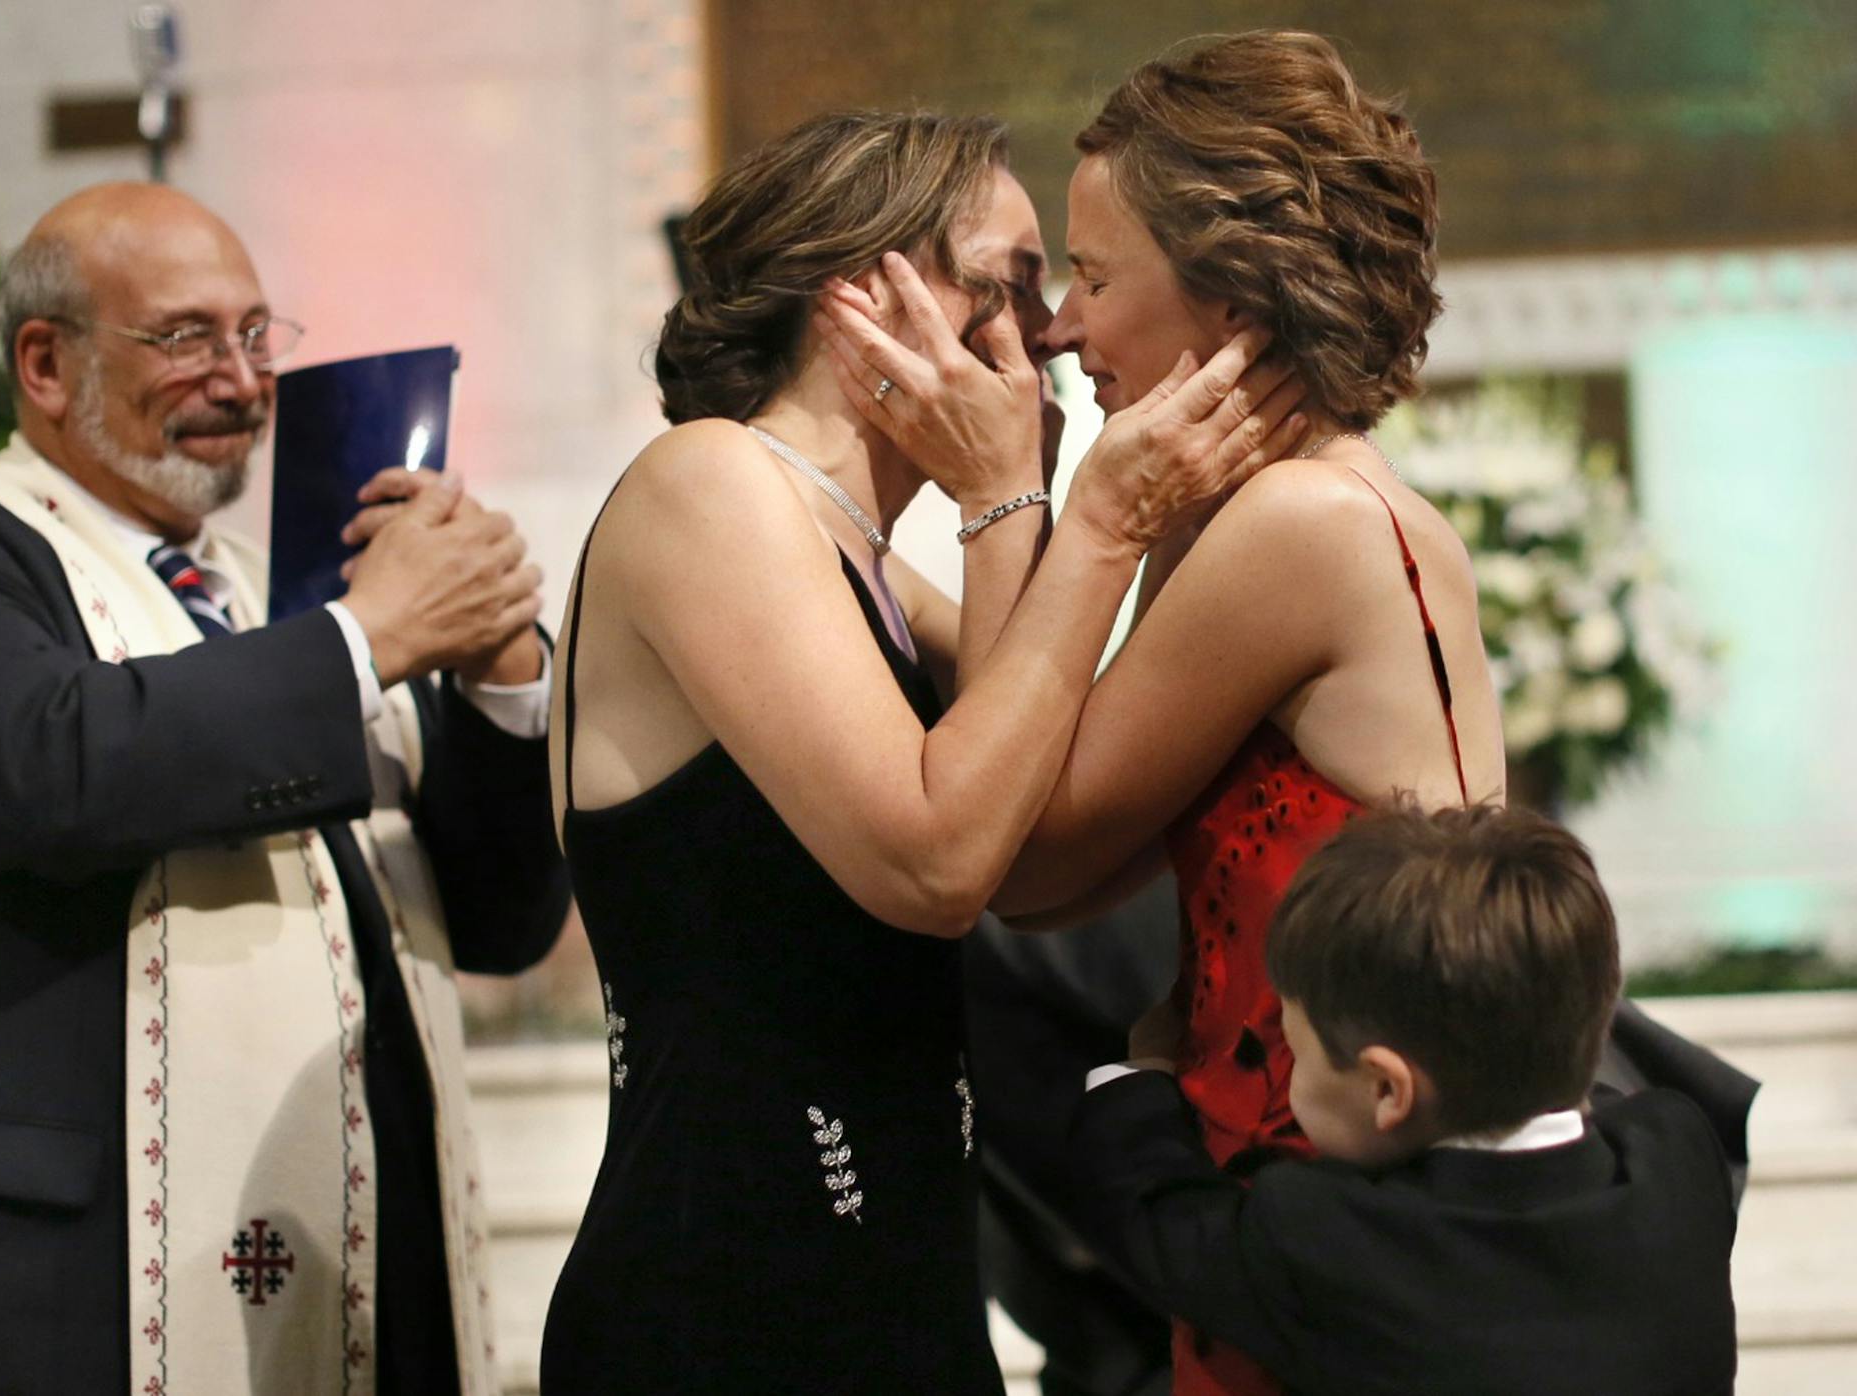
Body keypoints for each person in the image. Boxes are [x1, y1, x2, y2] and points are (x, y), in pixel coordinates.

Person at [540, 111, 1308, 1394]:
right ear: (864, 296)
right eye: (1007, 283)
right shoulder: (709, 485)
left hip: (897, 1279)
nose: (1050, 330)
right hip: (728, 1298)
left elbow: (1025, 789)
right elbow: (939, 860)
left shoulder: (849, 542)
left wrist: (1061, 509)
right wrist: (1082, 516)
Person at [0, 182, 570, 1394]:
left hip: (357, 1277)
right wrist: (367, 640)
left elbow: (501, 923)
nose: (245, 381)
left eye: (257, 336)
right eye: (188, 336)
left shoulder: (288, 595)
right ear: (44, 362)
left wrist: (502, 672)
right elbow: (52, 766)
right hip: (41, 1300)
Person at [821, 31, 1501, 1396]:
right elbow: (1060, 789)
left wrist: (1007, 495)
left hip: (1346, 1227)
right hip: (1286, 1195)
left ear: (1231, 293)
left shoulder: (1302, 525)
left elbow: (1022, 858)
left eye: (1091, 275)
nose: (1058, 329)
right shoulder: (1248, 516)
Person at [1075, 805, 1741, 1396]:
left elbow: (1162, 1215)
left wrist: (1138, 1075)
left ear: (1386, 1090)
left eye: (1296, 1052)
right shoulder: (1676, 1158)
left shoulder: (1329, 1238)